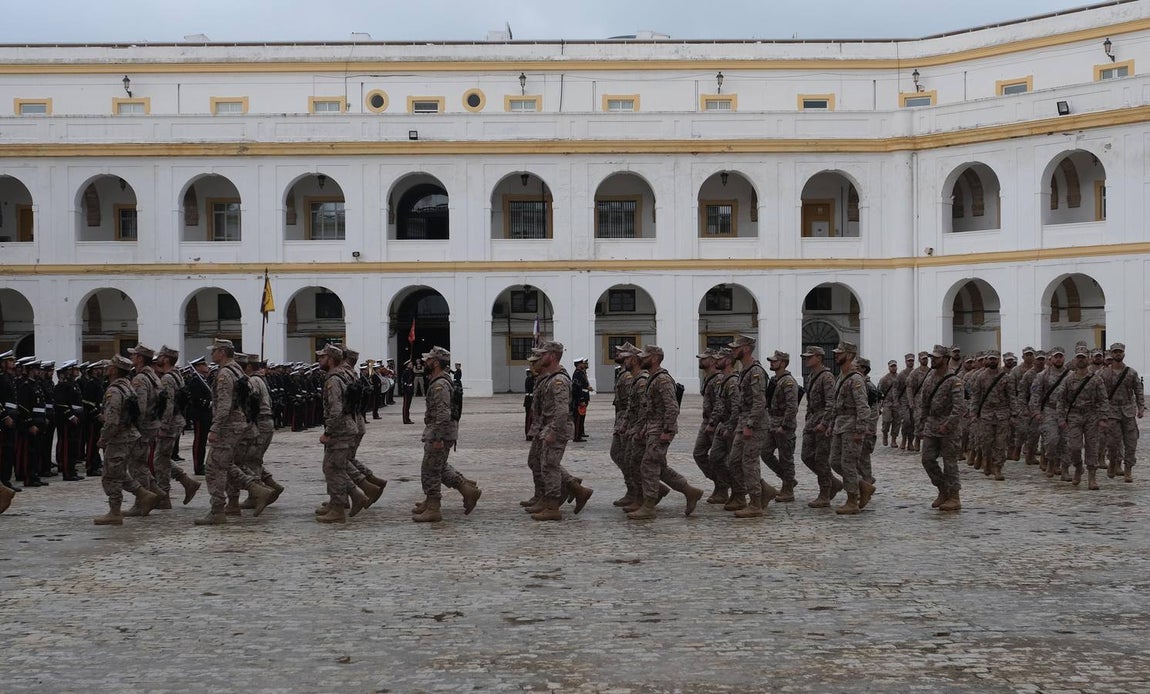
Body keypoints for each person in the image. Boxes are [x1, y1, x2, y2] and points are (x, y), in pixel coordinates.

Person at [195, 339, 275, 526]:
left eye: (214, 351)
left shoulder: (225, 373)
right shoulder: (237, 370)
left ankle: (217, 510)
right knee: (226, 463)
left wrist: (215, 428)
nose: (212, 354)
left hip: (228, 426)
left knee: (214, 468)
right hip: (240, 424)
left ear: (222, 352)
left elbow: (224, 405)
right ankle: (255, 489)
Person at [626, 345, 702, 520]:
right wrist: (644, 426)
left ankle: (649, 505)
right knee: (658, 466)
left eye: (644, 357)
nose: (641, 359)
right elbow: (650, 408)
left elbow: (672, 407)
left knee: (649, 465)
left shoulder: (662, 380)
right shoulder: (653, 378)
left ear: (654, 358)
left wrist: (667, 429)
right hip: (653, 428)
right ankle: (690, 491)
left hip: (661, 430)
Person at [523, 341, 592, 521]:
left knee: (549, 466)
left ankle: (552, 506)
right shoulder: (549, 378)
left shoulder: (559, 380)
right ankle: (569, 491)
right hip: (546, 427)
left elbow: (561, 411)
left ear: (552, 356)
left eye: (543, 354)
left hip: (556, 428)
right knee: (540, 463)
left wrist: (553, 431)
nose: (539, 358)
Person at [411, 346, 482, 522]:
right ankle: (465, 490)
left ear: (435, 362)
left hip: (440, 433)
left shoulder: (440, 385)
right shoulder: (439, 380)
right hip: (440, 432)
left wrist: (437, 438)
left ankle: (434, 508)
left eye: (428, 360)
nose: (425, 362)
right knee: (437, 466)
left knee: (431, 470)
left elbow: (443, 414)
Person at [92, 355, 159, 525]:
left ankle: (115, 511)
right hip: (129, 435)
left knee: (110, 475)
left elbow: (113, 420)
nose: (107, 369)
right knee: (120, 471)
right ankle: (143, 493)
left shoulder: (114, 390)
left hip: (119, 438)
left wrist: (103, 438)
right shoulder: (127, 386)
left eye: (110, 367)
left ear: (114, 370)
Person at [313, 344, 374, 524]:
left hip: (340, 430)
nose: (319, 360)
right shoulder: (342, 375)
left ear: (331, 360)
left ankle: (339, 508)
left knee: (332, 468)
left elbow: (336, 409)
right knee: (334, 467)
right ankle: (353, 497)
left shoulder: (333, 379)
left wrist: (328, 432)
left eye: (322, 357)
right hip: (347, 426)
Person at [726, 334, 778, 518]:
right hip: (744, 420)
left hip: (754, 423)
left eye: (735, 348)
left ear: (746, 348)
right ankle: (764, 490)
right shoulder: (745, 370)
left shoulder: (755, 371)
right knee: (734, 461)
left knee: (749, 462)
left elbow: (759, 401)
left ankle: (755, 502)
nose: (732, 351)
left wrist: (750, 424)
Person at [915, 344, 966, 511]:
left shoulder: (954, 380)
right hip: (931, 425)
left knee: (949, 462)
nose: (932, 360)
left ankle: (954, 496)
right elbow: (924, 404)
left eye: (936, 358)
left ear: (945, 359)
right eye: (932, 357)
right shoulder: (929, 378)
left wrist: (949, 424)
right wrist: (921, 425)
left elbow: (959, 407)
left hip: (948, 428)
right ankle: (943, 489)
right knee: (927, 459)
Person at [826, 342, 873, 515]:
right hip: (840, 424)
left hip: (852, 426)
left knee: (848, 463)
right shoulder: (841, 376)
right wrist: (831, 424)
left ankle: (852, 499)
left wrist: (860, 430)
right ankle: (863, 485)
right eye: (837, 353)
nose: (837, 355)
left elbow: (863, 407)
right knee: (835, 462)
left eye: (841, 353)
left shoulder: (855, 378)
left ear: (851, 355)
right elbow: (835, 404)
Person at [153, 345, 201, 507]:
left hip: (169, 423)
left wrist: (163, 426)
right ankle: (187, 482)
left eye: (160, 356)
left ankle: (164, 496)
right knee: (163, 458)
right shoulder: (177, 375)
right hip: (176, 421)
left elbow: (168, 404)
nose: (158, 359)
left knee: (160, 460)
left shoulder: (167, 378)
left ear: (165, 359)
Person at [1061, 345, 1112, 490]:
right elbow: (1062, 400)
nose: (1081, 360)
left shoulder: (1096, 379)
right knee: (1074, 447)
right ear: (1075, 359)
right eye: (1079, 357)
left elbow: (1103, 399)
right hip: (1074, 416)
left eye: (1084, 357)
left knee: (1092, 447)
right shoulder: (1068, 379)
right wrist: (1061, 418)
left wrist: (1103, 418)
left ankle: (1092, 477)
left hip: (1091, 416)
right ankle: (1078, 467)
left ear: (1088, 359)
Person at [800, 346, 842, 507]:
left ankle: (825, 492)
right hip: (812, 421)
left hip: (822, 423)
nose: (806, 360)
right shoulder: (812, 376)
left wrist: (825, 423)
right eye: (805, 357)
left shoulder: (827, 377)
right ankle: (833, 482)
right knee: (806, 456)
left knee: (821, 459)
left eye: (809, 357)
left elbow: (832, 403)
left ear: (819, 358)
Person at [1101, 342, 1145, 482]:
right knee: (1113, 443)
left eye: (1120, 352)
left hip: (1128, 410)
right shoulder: (1103, 373)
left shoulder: (1131, 373)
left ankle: (1128, 469)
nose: (1117, 354)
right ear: (1111, 354)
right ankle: (1113, 462)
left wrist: (1141, 407)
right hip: (1111, 411)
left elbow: (1138, 390)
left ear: (1123, 354)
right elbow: (1097, 392)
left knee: (1131, 442)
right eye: (1115, 352)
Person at [762, 349, 800, 502]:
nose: (771, 363)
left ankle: (788, 489)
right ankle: (787, 478)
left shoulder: (788, 382)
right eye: (771, 361)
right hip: (772, 422)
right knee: (765, 452)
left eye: (774, 361)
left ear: (783, 363)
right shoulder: (774, 380)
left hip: (784, 424)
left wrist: (785, 426)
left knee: (786, 458)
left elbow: (792, 407)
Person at [972, 350, 1012, 482]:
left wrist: (1015, 412)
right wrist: (974, 413)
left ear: (998, 360)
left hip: (1002, 413)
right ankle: (987, 461)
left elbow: (1011, 397)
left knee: (1001, 443)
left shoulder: (1005, 377)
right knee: (986, 442)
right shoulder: (981, 377)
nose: (993, 361)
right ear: (987, 360)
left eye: (995, 359)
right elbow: (976, 396)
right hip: (986, 414)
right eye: (991, 359)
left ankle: (998, 467)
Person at [691, 348, 723, 500]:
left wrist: (713, 422)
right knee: (699, 453)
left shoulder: (718, 379)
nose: (700, 361)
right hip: (707, 421)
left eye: (703, 359)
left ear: (712, 361)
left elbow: (720, 403)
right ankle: (719, 481)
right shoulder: (708, 377)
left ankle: (724, 487)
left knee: (720, 457)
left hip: (715, 423)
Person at [878, 360, 900, 447]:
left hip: (897, 404)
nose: (893, 367)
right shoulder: (884, 379)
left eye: (894, 366)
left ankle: (894, 440)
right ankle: (885, 435)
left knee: (897, 422)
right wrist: (880, 405)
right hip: (887, 403)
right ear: (888, 367)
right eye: (891, 366)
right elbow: (879, 392)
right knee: (886, 420)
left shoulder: (899, 377)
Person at [571, 357, 592, 442]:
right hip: (580, 398)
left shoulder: (581, 373)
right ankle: (577, 436)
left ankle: (580, 433)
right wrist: (581, 400)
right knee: (578, 418)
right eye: (582, 363)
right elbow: (577, 388)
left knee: (581, 417)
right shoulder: (577, 374)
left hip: (583, 396)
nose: (584, 364)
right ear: (579, 364)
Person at [400, 360, 416, 425]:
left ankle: (408, 418)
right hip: (406, 390)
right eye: (410, 364)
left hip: (410, 390)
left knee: (408, 405)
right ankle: (405, 419)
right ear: (407, 365)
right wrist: (406, 388)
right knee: (406, 406)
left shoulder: (411, 372)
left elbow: (412, 379)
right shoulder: (405, 372)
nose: (412, 365)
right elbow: (404, 381)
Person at [523, 367, 536, 441]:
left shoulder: (534, 379)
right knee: (529, 418)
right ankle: (528, 434)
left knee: (533, 418)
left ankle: (532, 433)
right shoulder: (529, 379)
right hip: (529, 400)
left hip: (533, 399)